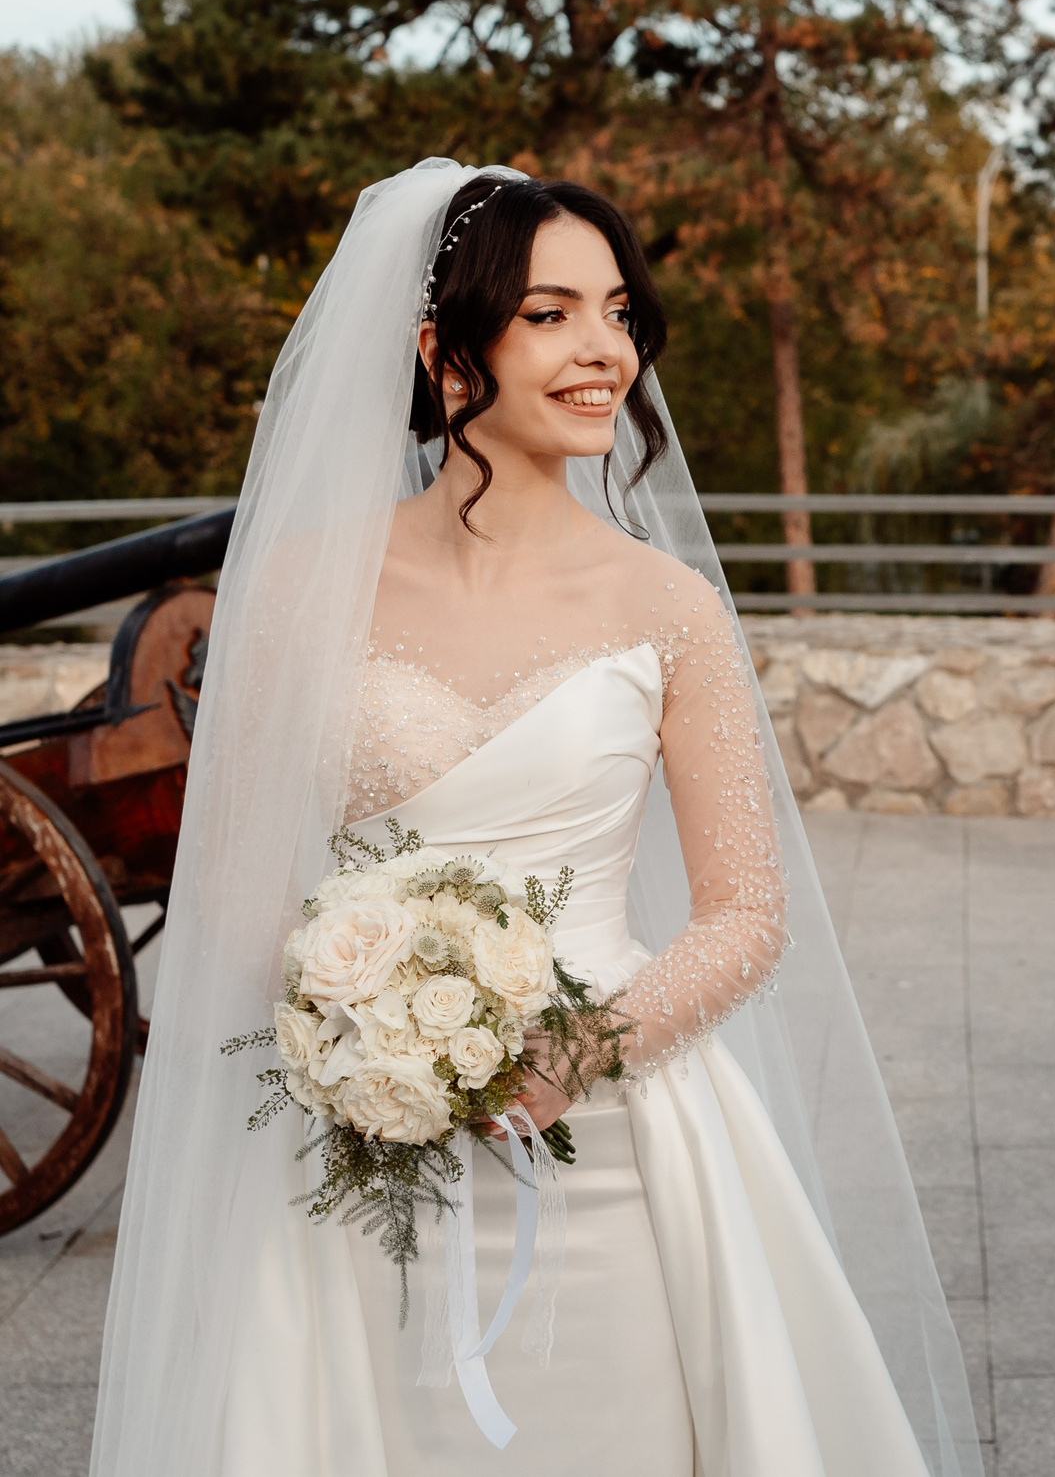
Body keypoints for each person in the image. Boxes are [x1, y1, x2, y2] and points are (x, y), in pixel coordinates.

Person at [90, 162, 981, 1476]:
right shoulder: (298, 586)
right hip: (359, 1155)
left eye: (617, 312)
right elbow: (225, 894)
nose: (604, 350)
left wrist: (580, 1049)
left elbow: (748, 916)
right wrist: (369, 1033)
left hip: (620, 1146)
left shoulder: (670, 606)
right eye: (552, 314)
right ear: (445, 352)